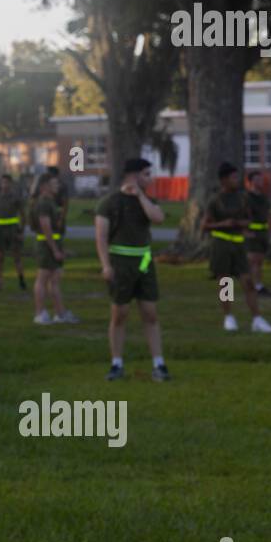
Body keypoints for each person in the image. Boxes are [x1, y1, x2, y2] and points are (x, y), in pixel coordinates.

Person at [95, 158, 168, 381]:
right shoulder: (109, 202)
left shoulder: (146, 199)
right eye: (146, 174)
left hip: (144, 261)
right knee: (120, 314)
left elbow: (158, 218)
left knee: (150, 313)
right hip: (120, 263)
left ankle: (159, 363)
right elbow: (101, 237)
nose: (151, 178)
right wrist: (106, 265)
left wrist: (140, 195)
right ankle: (116, 363)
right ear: (134, 176)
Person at [202, 162, 271, 333]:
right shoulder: (216, 200)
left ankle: (257, 319)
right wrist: (223, 224)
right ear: (224, 180)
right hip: (222, 245)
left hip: (239, 244)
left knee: (248, 282)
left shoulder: (242, 198)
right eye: (234, 177)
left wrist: (242, 224)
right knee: (226, 283)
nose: (237, 180)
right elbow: (205, 226)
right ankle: (229, 317)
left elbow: (249, 219)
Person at [31, 173, 76, 324]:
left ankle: (60, 313)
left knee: (55, 280)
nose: (57, 186)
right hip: (46, 247)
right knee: (42, 279)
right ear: (44, 186)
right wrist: (55, 250)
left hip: (53, 245)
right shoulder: (43, 203)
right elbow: (46, 228)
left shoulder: (50, 202)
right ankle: (40, 314)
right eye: (54, 184)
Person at [0, 173, 27, 290]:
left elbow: (23, 215)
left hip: (13, 230)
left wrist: (21, 232)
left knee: (16, 256)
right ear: (0, 184)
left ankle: (21, 279)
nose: (5, 185)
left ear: (11, 184)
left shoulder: (16, 198)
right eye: (3, 182)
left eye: (7, 182)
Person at [244, 170, 271, 296]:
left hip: (263, 233)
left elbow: (270, 215)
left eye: (260, 179)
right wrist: (246, 231)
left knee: (259, 261)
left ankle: (257, 285)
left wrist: (270, 231)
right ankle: (254, 286)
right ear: (250, 182)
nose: (260, 181)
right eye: (257, 179)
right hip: (252, 233)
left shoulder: (264, 198)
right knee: (253, 260)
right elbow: (243, 215)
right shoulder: (247, 198)